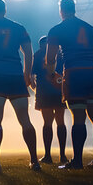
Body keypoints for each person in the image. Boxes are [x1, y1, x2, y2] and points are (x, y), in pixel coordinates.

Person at [0, 0, 39, 172]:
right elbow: (28, 52)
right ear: (5, 10)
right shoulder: (19, 28)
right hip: (15, 76)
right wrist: (27, 74)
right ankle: (35, 161)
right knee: (25, 119)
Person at [46, 0, 93, 170]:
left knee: (78, 118)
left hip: (74, 73)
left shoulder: (57, 29)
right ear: (74, 8)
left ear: (61, 10)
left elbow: (51, 57)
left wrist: (51, 74)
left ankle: (77, 161)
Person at [33, 36, 67, 164]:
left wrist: (34, 88)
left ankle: (48, 155)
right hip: (59, 90)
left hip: (45, 91)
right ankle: (62, 155)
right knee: (60, 122)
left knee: (48, 123)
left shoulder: (37, 55)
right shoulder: (59, 53)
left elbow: (32, 75)